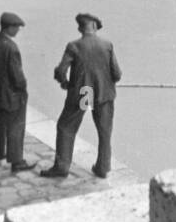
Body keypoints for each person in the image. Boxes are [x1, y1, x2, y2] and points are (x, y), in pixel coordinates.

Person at [40, 13, 122, 180]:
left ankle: (62, 166)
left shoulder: (74, 46)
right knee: (104, 131)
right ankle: (103, 167)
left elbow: (61, 71)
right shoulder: (107, 45)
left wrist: (65, 83)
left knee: (66, 127)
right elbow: (117, 74)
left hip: (84, 93)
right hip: (103, 94)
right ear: (94, 27)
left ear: (80, 28)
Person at [0, 12, 37, 173]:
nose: (18, 31)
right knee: (15, 127)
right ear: (9, 28)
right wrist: (23, 89)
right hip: (12, 95)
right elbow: (17, 77)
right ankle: (17, 160)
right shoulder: (11, 48)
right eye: (17, 27)